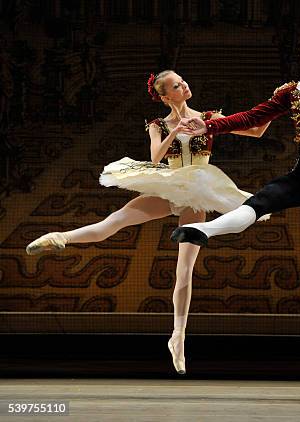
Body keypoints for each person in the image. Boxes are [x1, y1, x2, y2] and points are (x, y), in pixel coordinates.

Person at [25, 70, 269, 375]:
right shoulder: (158, 124)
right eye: (177, 85)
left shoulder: (209, 116)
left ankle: (178, 337)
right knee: (114, 221)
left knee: (184, 270)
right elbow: (155, 157)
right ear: (166, 96)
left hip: (198, 189)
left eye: (183, 81)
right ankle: (60, 237)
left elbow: (256, 131)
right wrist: (174, 129)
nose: (185, 85)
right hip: (168, 182)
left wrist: (276, 104)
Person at [170, 20, 300, 375]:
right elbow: (253, 116)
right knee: (261, 200)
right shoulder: (292, 91)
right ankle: (204, 232)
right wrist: (210, 125)